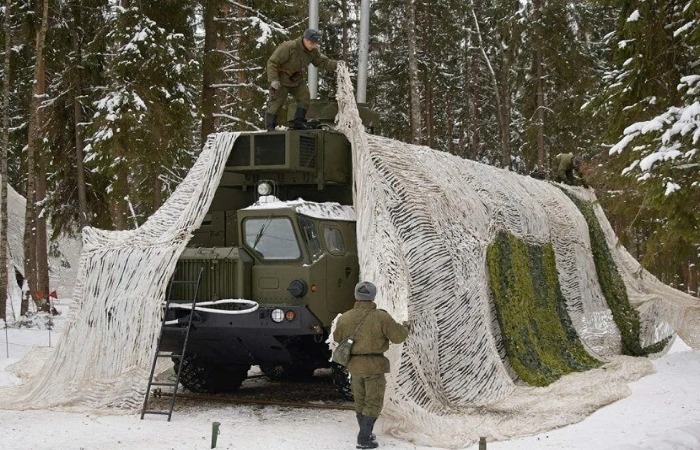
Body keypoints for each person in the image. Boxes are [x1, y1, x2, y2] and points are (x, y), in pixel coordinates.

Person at [333, 281, 409, 449]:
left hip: (354, 366)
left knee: (360, 401)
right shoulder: (381, 317)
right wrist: (406, 327)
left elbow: (337, 338)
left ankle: (365, 433)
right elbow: (398, 337)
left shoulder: (345, 317)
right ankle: (364, 438)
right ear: (373, 297)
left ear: (356, 296)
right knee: (373, 402)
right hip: (374, 366)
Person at [265, 28, 338, 131]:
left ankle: (298, 122)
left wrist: (337, 65)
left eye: (316, 44)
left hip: (296, 80)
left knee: (304, 97)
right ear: (306, 40)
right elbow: (272, 63)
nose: (314, 46)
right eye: (312, 43)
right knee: (277, 102)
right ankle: (270, 126)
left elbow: (322, 62)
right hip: (281, 79)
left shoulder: (313, 52)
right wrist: (274, 80)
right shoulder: (289, 47)